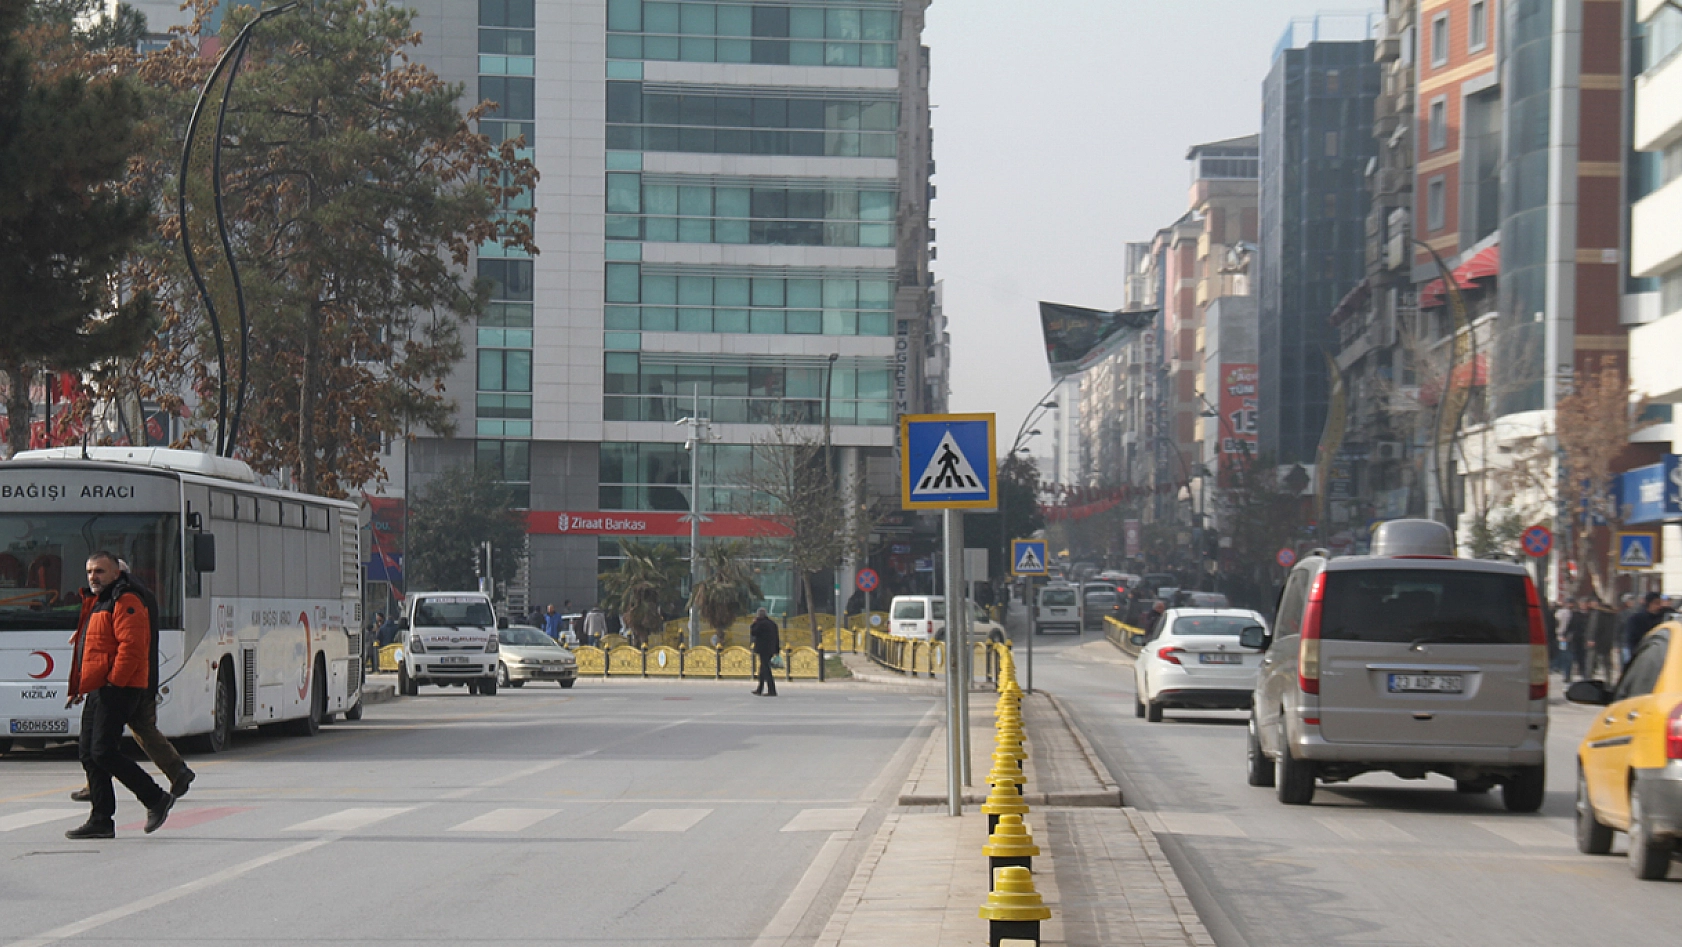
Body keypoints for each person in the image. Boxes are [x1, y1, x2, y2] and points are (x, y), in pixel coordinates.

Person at [64, 552, 174, 839]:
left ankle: (155, 798)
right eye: (89, 571)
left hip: (119, 689)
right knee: (89, 752)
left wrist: (115, 682)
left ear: (116, 573)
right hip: (100, 687)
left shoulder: (126, 600)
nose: (93, 577)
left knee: (103, 751)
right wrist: (79, 688)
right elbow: (92, 650)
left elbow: (133, 648)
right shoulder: (99, 600)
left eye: (99, 571)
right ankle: (101, 820)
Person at [1624, 592, 1669, 663]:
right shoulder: (1637, 619)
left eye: (1660, 603)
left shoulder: (1664, 617)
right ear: (1649, 603)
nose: (1659, 606)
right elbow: (1632, 638)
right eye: (1656, 603)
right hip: (1642, 654)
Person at [749, 607, 780, 697]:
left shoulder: (760, 624)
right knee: (763, 669)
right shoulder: (772, 623)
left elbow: (753, 632)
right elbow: (776, 637)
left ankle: (772, 690)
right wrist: (777, 649)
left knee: (766, 669)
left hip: (763, 649)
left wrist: (754, 623)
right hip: (771, 649)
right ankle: (760, 689)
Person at [1587, 597, 1618, 681]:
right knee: (1606, 663)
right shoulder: (1612, 614)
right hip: (1607, 641)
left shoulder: (1596, 613)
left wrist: (1591, 639)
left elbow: (1593, 627)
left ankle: (1588, 679)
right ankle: (1609, 680)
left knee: (1591, 661)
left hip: (1596, 641)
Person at [1564, 598, 1592, 681]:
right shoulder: (1575, 614)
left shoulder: (1591, 615)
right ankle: (1568, 675)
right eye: (1582, 604)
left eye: (1585, 604)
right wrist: (1565, 634)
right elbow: (1570, 625)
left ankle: (1584, 674)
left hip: (1586, 639)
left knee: (1583, 658)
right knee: (1571, 657)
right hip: (1576, 639)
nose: (1583, 605)